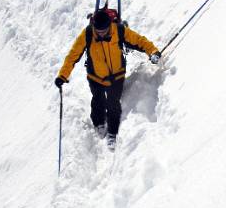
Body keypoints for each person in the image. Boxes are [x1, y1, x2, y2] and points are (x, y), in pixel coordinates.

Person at [55, 8, 161, 148]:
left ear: (109, 25)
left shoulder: (119, 30)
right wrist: (63, 75)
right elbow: (72, 56)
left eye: (103, 31)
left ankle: (112, 133)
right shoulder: (87, 34)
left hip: (116, 76)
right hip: (95, 77)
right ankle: (99, 123)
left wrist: (153, 51)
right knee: (98, 100)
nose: (100, 33)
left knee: (113, 103)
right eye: (98, 31)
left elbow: (139, 41)